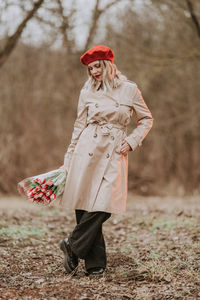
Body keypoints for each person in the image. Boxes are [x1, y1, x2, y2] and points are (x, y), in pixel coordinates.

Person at [59, 45, 153, 276]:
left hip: (115, 150)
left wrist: (132, 141)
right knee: (84, 204)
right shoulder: (87, 92)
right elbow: (79, 125)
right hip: (86, 149)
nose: (93, 72)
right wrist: (68, 157)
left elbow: (146, 119)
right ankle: (95, 265)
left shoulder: (129, 90)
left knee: (104, 204)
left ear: (108, 64)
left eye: (97, 66)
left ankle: (72, 244)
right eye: (90, 69)